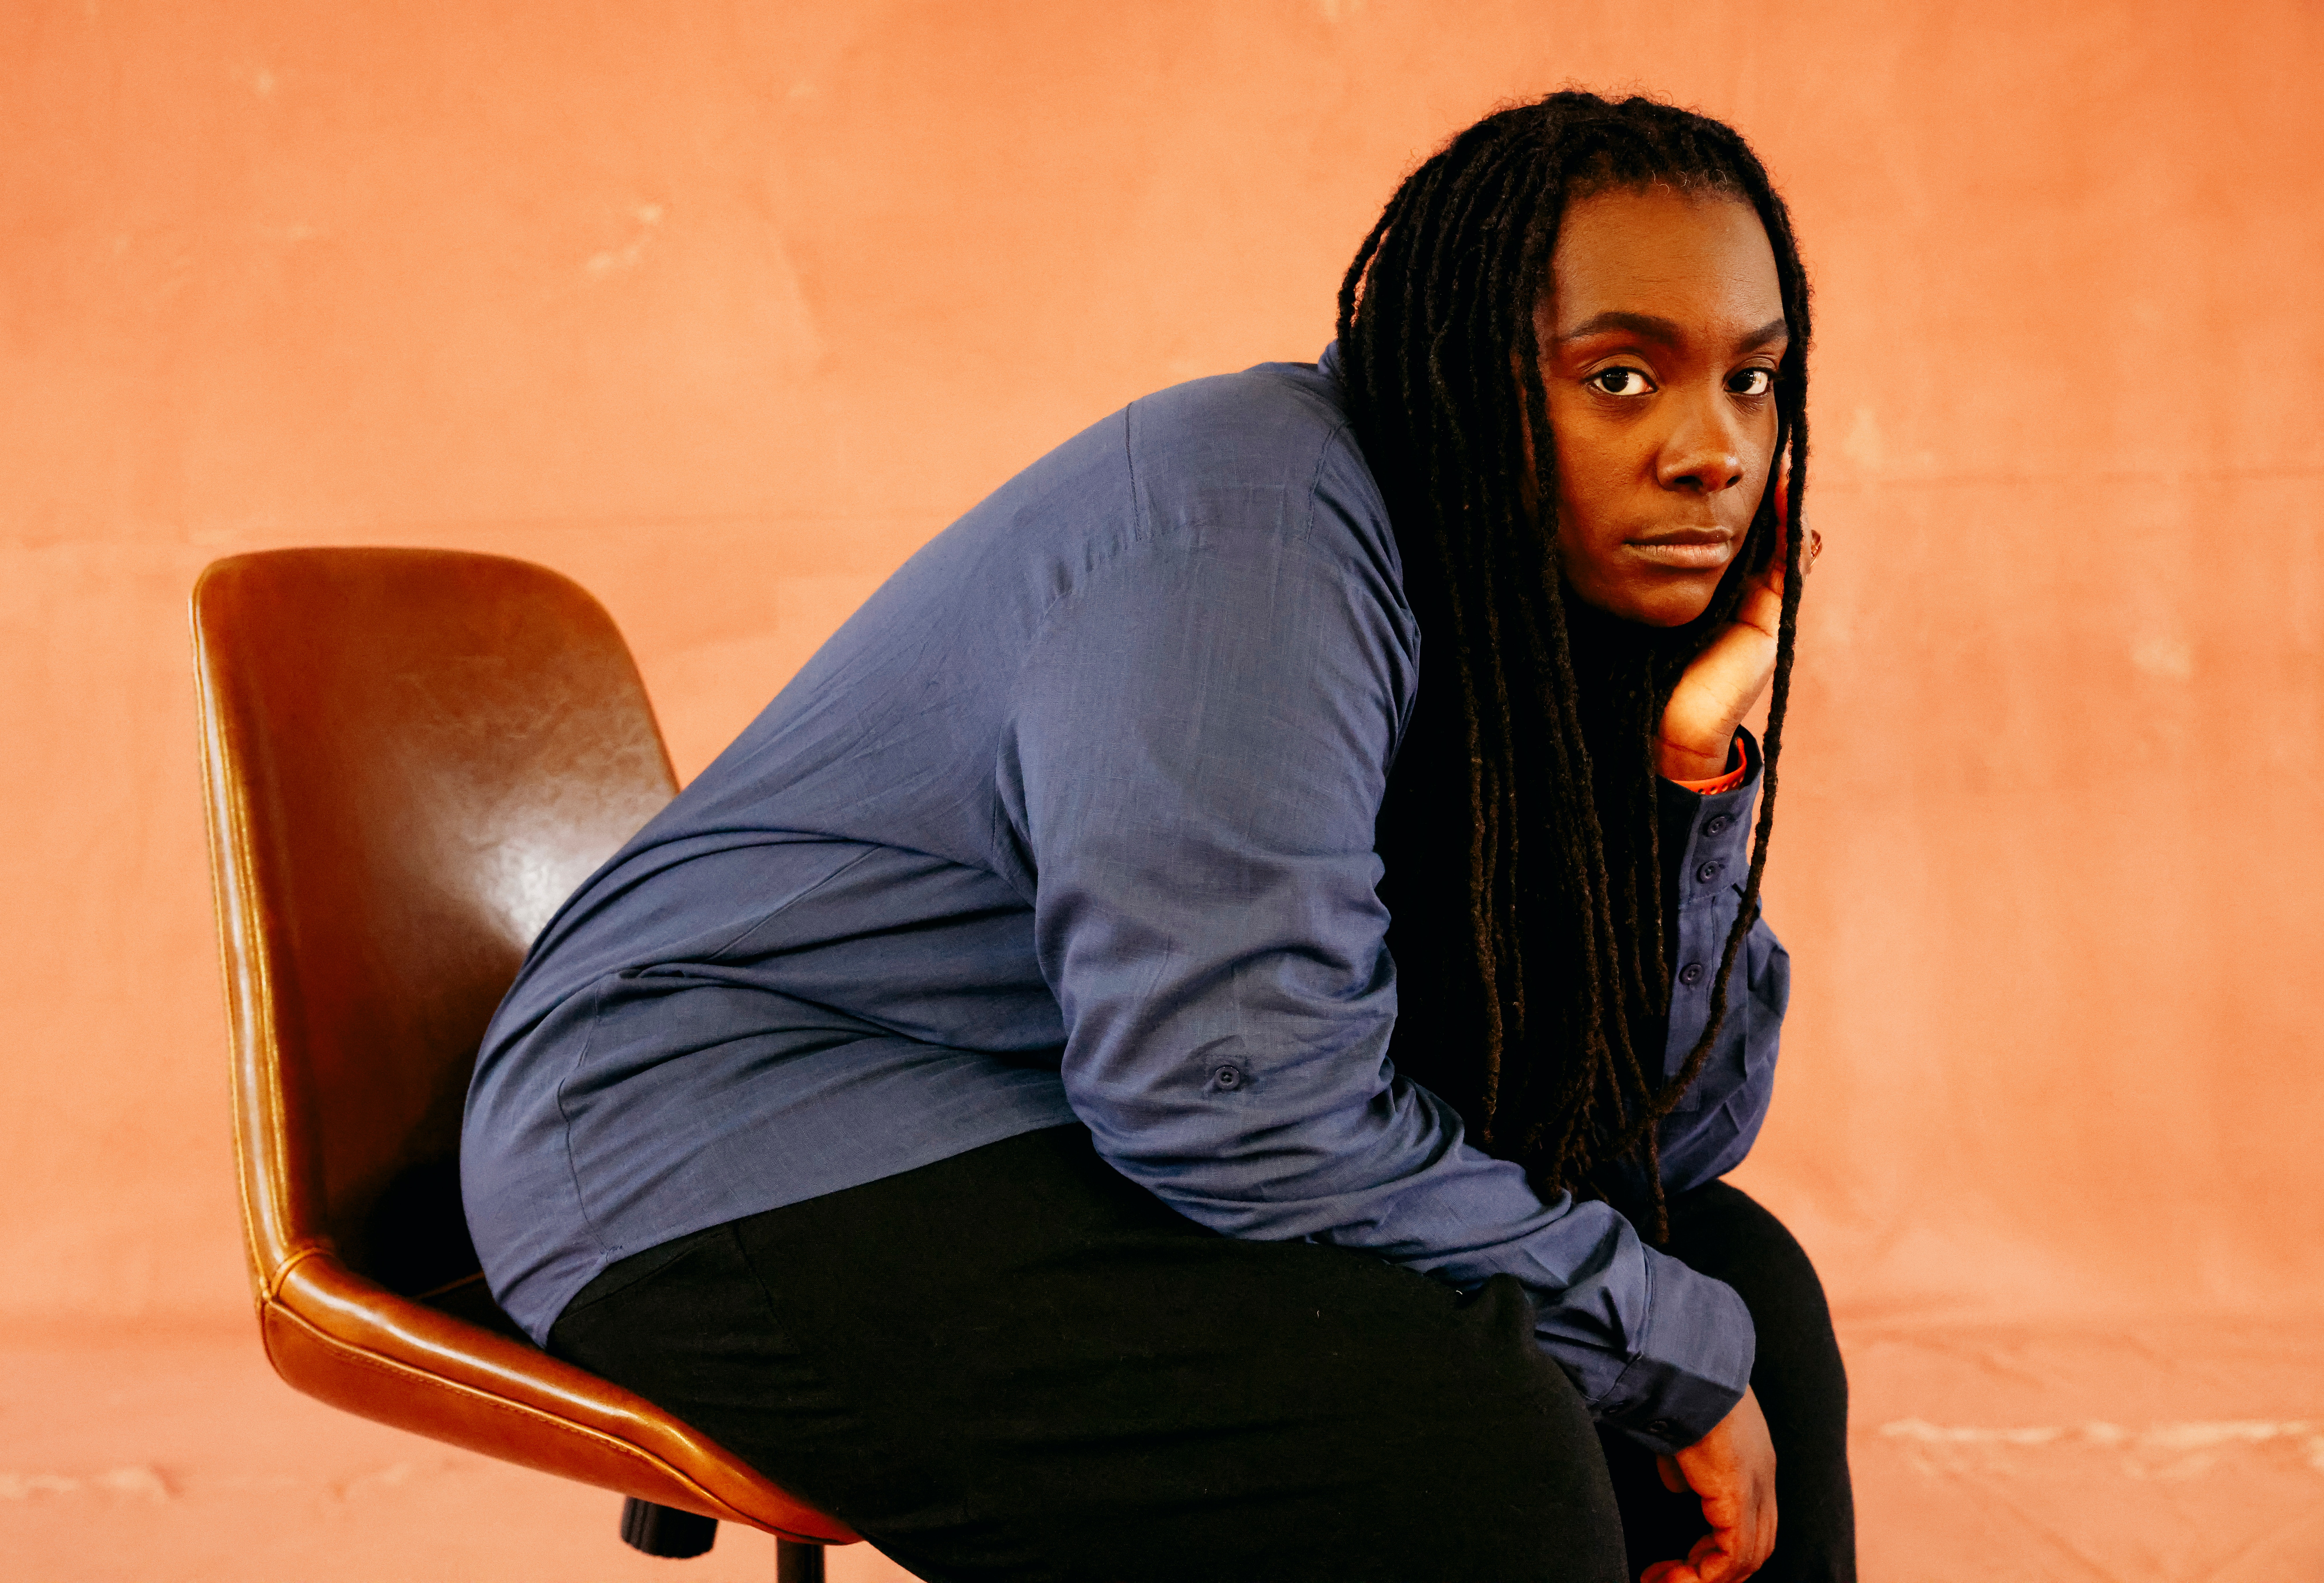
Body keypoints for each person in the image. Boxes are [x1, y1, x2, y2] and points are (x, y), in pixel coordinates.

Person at [462, 91, 1855, 1582]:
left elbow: (1649, 1144)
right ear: (1464, 368)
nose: (1715, 451)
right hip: (710, 1137)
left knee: (1734, 1282)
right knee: (1458, 1441)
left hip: (1055, 1111)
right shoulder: (1244, 531)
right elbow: (1227, 1094)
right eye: (1621, 376)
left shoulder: (1522, 603)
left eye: (1754, 382)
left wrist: (1685, 770)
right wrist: (1653, 1344)